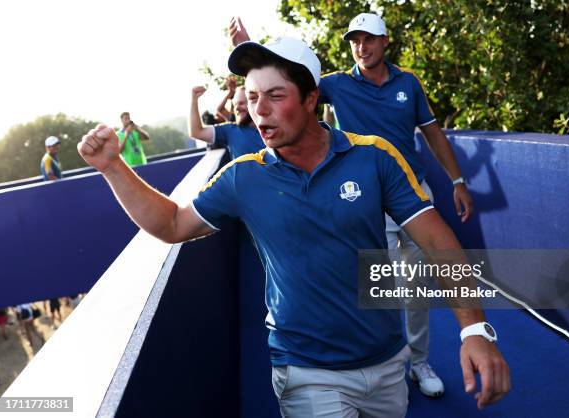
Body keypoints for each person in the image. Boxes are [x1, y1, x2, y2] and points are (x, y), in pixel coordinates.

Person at [78, 37, 509, 417]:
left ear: (310, 99)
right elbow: (172, 223)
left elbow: (436, 240)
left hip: (388, 361)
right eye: (250, 97)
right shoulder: (243, 177)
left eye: (274, 95)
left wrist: (473, 328)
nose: (258, 111)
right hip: (305, 371)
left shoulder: (374, 157)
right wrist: (113, 168)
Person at [230, 13, 476, 398]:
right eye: (355, 40)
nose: (362, 47)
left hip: (409, 193)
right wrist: (251, 46)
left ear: (385, 42)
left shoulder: (408, 83)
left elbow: (432, 132)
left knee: (413, 288)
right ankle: (380, 368)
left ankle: (418, 361)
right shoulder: (335, 85)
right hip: (360, 197)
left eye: (369, 39)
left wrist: (457, 181)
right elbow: (286, 84)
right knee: (378, 286)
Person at [189, 83, 264, 159]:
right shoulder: (230, 130)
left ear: (255, 103)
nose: (236, 108)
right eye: (235, 105)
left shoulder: (271, 127)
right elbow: (196, 132)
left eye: (241, 103)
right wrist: (194, 99)